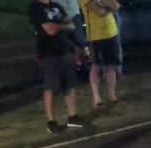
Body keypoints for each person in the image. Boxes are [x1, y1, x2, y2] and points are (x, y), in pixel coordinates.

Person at [29, 0, 85, 133]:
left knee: (70, 85)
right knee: (50, 87)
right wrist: (62, 26)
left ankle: (73, 117)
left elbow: (71, 25)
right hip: (49, 52)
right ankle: (51, 121)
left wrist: (59, 26)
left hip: (65, 50)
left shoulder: (57, 6)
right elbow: (50, 30)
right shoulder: (35, 7)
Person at [79, 0, 121, 106]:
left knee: (111, 65)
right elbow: (99, 11)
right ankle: (96, 96)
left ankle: (112, 94)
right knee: (96, 66)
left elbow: (116, 5)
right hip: (95, 35)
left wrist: (104, 5)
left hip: (111, 32)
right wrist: (108, 6)